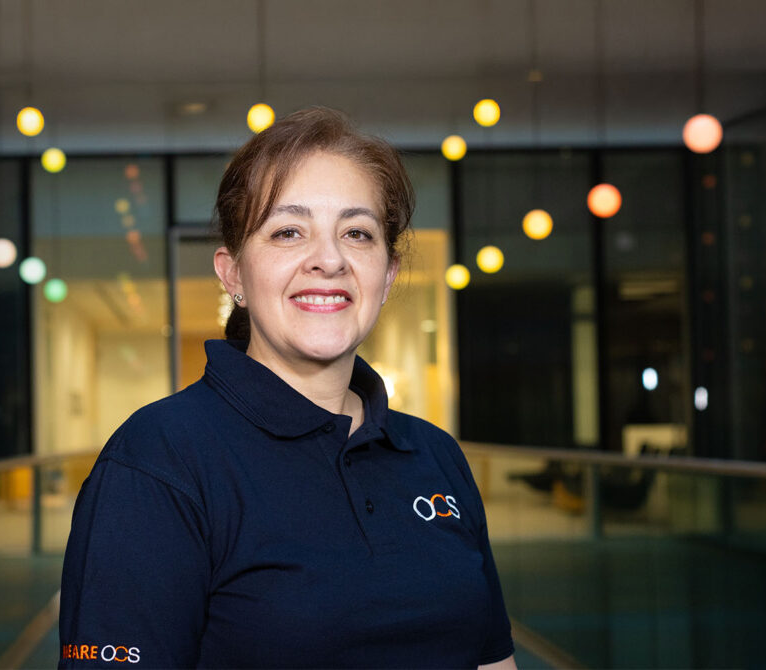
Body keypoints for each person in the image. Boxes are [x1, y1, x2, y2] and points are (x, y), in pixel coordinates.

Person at [58, 107, 516, 669]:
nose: (329, 260)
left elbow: (493, 661)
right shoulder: (158, 460)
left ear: (388, 275)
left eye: (356, 233)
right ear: (232, 274)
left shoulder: (436, 455)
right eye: (288, 232)